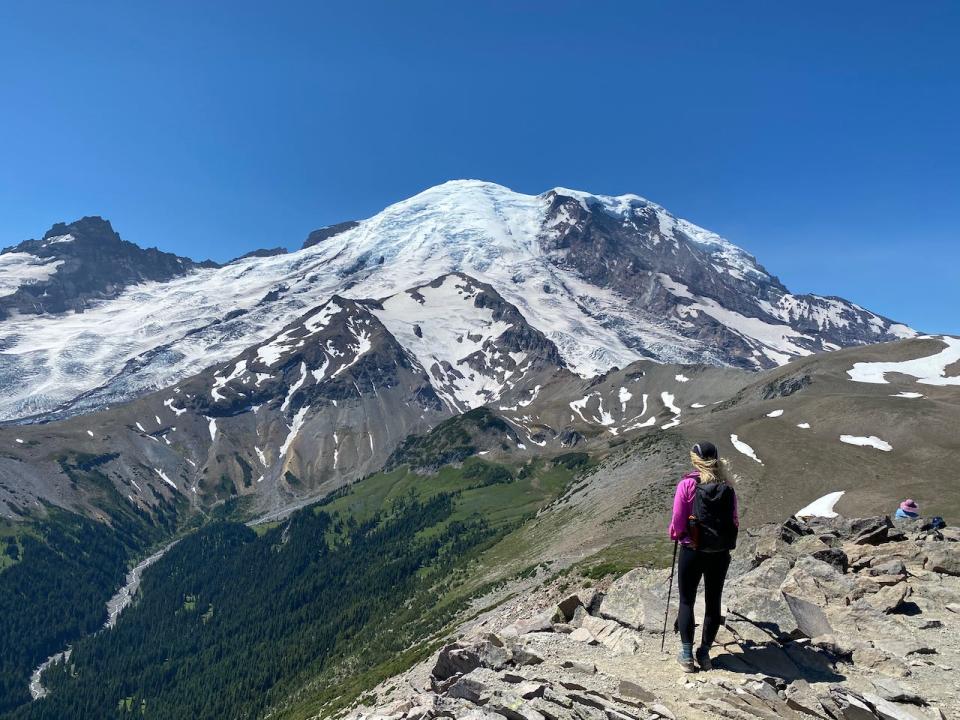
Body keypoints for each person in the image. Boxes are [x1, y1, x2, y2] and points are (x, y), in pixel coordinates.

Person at [669, 441, 739, 672]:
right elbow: (735, 521)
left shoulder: (687, 485)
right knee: (713, 602)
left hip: (692, 550)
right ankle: (705, 654)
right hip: (719, 553)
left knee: (687, 600)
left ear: (695, 460)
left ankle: (687, 655)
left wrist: (677, 535)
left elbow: (678, 523)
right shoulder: (727, 487)